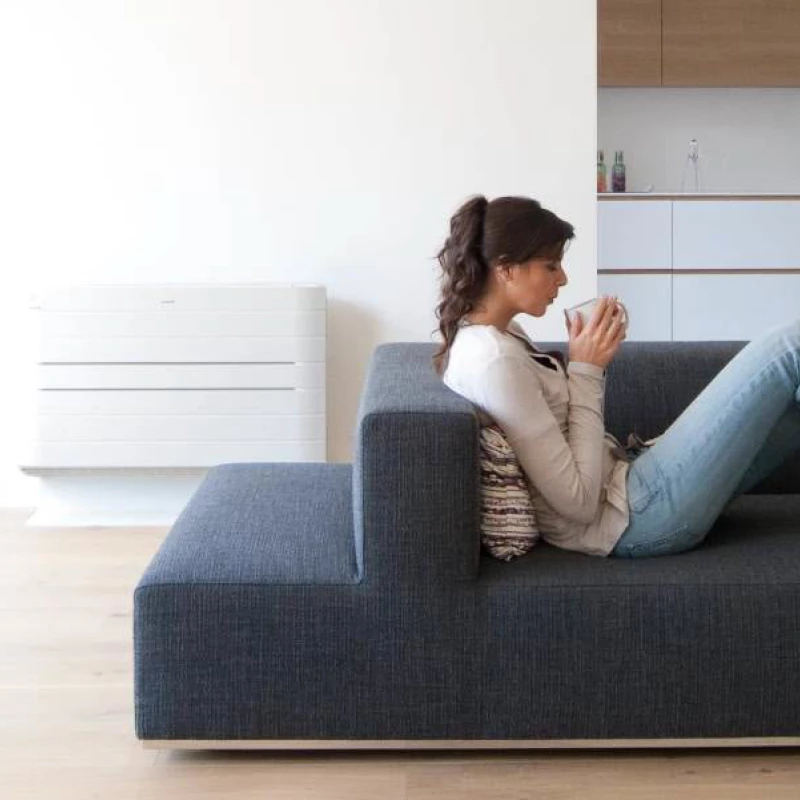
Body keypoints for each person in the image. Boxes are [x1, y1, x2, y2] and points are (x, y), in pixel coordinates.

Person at [434, 194, 800, 558]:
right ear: (506, 268)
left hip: (631, 478)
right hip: (637, 516)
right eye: (551, 265)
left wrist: (586, 363)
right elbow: (578, 504)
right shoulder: (494, 360)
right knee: (789, 348)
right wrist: (587, 370)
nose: (562, 279)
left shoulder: (500, 335)